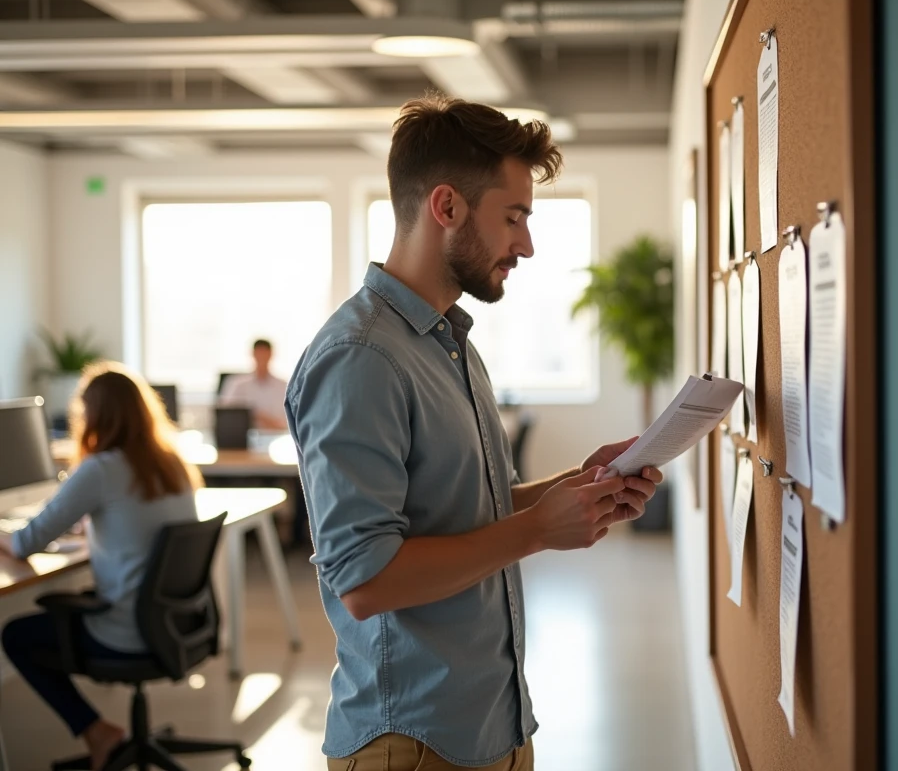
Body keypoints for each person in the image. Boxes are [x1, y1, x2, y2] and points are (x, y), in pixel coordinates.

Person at [287, 94, 663, 771]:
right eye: (513, 217)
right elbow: (366, 581)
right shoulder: (360, 358)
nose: (526, 243)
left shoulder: (447, 340)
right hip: (414, 744)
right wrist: (540, 530)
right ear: (447, 207)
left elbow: (462, 509)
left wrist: (578, 487)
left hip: (494, 723)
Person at [0, 362, 200, 771]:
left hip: (126, 632)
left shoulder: (101, 468)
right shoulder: (171, 463)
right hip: (177, 625)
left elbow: (24, 543)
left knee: (16, 635)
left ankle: (95, 729)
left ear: (95, 415)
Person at [220, 338, 288, 430]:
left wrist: (257, 416)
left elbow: (286, 423)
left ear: (271, 354)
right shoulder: (237, 384)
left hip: (274, 436)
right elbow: (227, 417)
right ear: (253, 354)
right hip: (243, 439)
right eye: (259, 353)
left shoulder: (283, 386)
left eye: (265, 353)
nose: (262, 357)